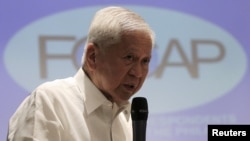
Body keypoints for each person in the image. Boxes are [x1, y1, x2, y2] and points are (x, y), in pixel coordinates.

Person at [7, 6, 155, 141]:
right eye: (129, 58)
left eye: (145, 61)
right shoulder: (50, 102)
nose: (138, 73)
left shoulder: (128, 121)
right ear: (93, 57)